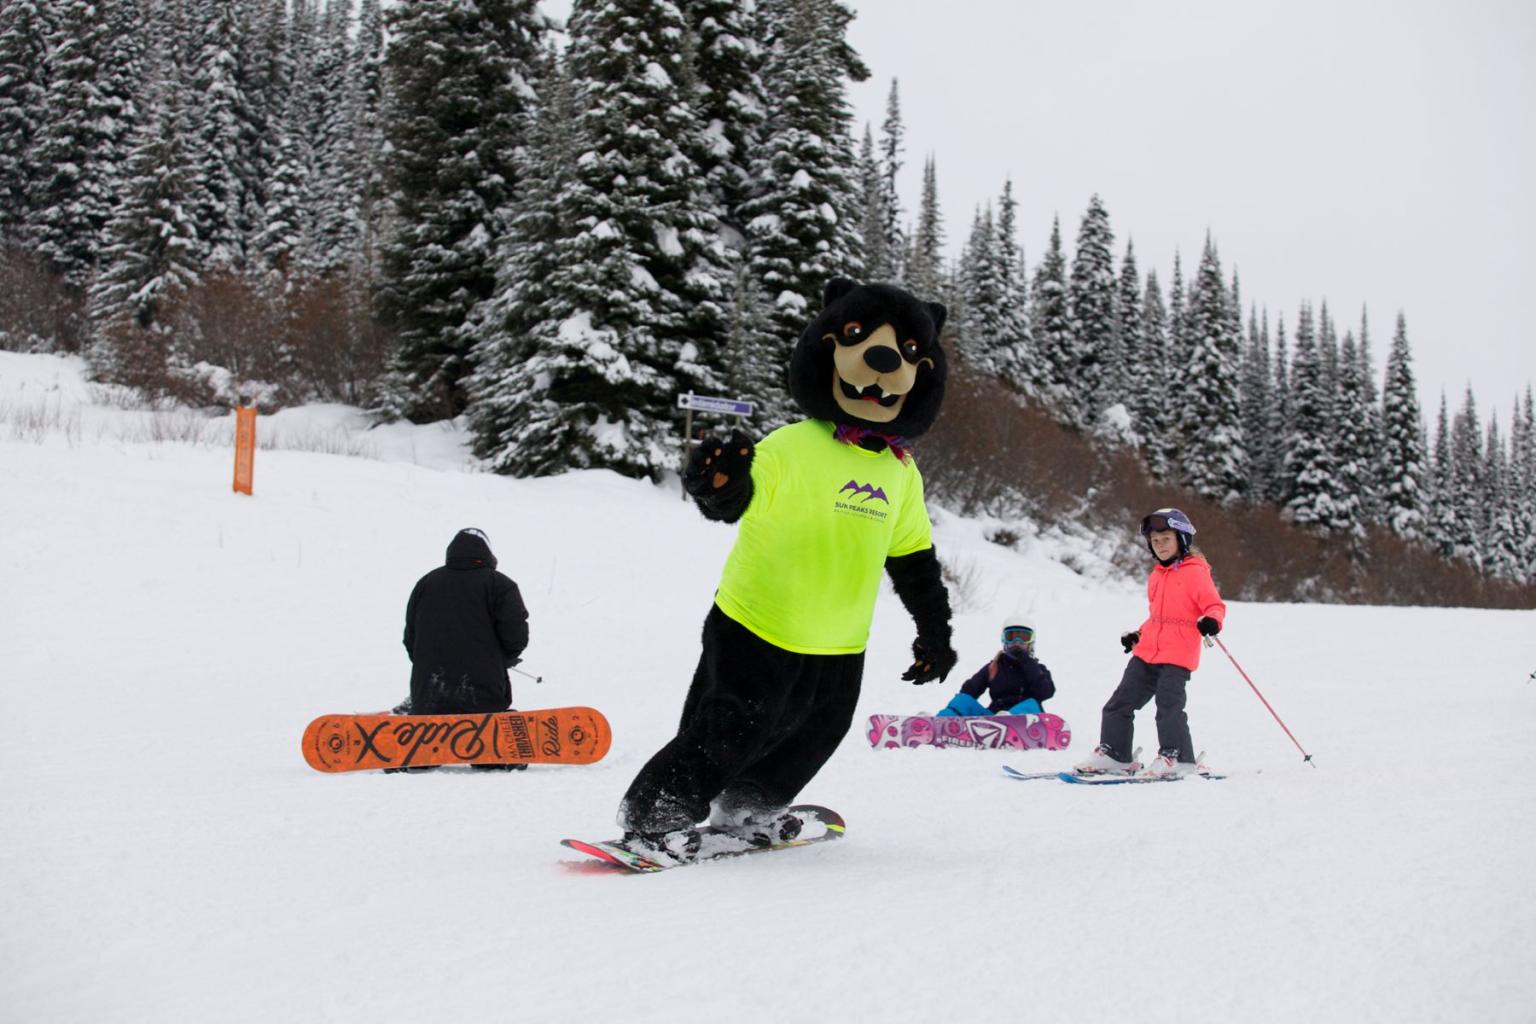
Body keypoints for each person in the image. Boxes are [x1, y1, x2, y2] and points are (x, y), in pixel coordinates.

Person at [1074, 508, 1226, 778]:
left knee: (1168, 707)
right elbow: (1158, 618)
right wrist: (1138, 635)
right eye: (1155, 541)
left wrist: (1212, 621)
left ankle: (1177, 758)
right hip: (1147, 652)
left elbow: (1214, 605)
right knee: (1119, 703)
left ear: (1182, 539)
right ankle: (1114, 755)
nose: (1160, 546)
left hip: (1178, 654)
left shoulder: (1195, 573)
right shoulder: (1157, 575)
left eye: (1166, 539)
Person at [392, 528, 530, 772]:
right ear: (487, 552)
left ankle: (422, 744)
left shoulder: (426, 583)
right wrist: (503, 659)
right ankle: (490, 748)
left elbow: (410, 637)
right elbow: (515, 634)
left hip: (429, 694)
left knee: (430, 716)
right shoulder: (500, 585)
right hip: (483, 695)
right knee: (486, 721)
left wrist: (428, 663)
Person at [936, 622, 1055, 717]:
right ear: (1004, 640)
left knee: (1032, 704)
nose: (1017, 643)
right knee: (963, 700)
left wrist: (1027, 663)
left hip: (1025, 720)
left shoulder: (1037, 668)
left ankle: (1010, 722)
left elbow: (1046, 692)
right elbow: (968, 692)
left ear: (1031, 642)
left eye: (1023, 638)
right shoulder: (995, 666)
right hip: (995, 718)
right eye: (1011, 637)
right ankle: (939, 724)